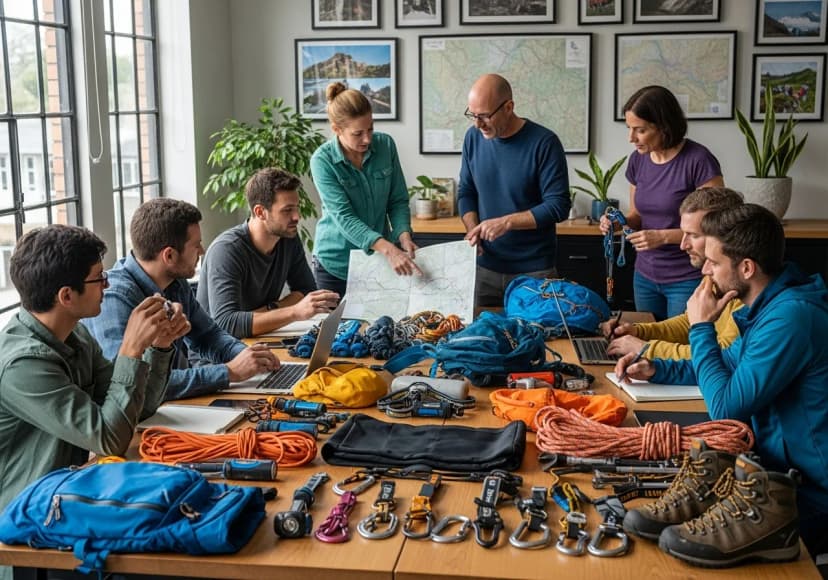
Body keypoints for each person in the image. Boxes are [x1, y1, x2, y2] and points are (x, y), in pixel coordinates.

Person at [615, 203, 828, 559]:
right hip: (766, 472)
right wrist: (658, 369)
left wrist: (701, 327)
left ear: (746, 267)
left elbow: (725, 408)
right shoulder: (769, 306)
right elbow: (727, 363)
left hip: (806, 494)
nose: (706, 271)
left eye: (714, 263)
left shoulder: (791, 317)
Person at [0, 225, 187, 515]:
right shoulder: (23, 366)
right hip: (24, 523)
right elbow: (110, 439)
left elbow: (135, 410)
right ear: (66, 296)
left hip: (66, 499)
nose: (107, 285)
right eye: (99, 278)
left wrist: (160, 347)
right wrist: (131, 349)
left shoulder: (76, 335)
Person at [84, 199, 280, 401]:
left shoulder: (174, 282)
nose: (202, 251)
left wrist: (250, 357)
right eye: (196, 245)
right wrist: (229, 372)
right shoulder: (114, 299)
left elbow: (208, 336)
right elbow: (130, 385)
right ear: (169, 256)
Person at [600, 85, 724, 321]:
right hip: (645, 275)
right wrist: (617, 224)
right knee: (648, 344)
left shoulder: (699, 160)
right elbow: (637, 215)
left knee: (680, 348)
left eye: (640, 130)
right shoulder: (638, 160)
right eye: (629, 129)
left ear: (664, 126)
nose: (631, 138)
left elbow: (717, 227)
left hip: (687, 276)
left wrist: (663, 237)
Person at [457, 73, 570, 307]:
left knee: (538, 341)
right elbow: (467, 191)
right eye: (473, 116)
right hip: (484, 269)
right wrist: (472, 230)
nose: (478, 124)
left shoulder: (545, 142)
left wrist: (506, 222)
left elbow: (558, 206)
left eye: (485, 116)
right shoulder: (472, 138)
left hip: (534, 273)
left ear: (509, 107)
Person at [603, 186, 745, 360]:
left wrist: (645, 348)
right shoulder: (712, 274)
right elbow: (690, 323)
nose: (683, 244)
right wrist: (639, 331)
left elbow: (723, 355)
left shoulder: (743, 283)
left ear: (722, 235)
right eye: (683, 233)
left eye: (693, 235)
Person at [198, 168, 339, 338]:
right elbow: (228, 324)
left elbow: (306, 290)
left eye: (296, 208)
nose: (297, 217)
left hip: (259, 339)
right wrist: (293, 311)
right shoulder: (227, 250)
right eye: (287, 210)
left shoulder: (287, 238)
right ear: (260, 212)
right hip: (218, 355)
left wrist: (268, 311)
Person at [310, 82, 420, 297]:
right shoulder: (322, 160)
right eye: (357, 133)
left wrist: (403, 235)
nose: (367, 139)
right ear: (337, 129)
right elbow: (344, 217)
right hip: (335, 266)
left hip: (377, 261)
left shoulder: (386, 146)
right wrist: (389, 249)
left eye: (370, 128)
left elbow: (397, 201)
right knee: (335, 330)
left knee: (380, 327)